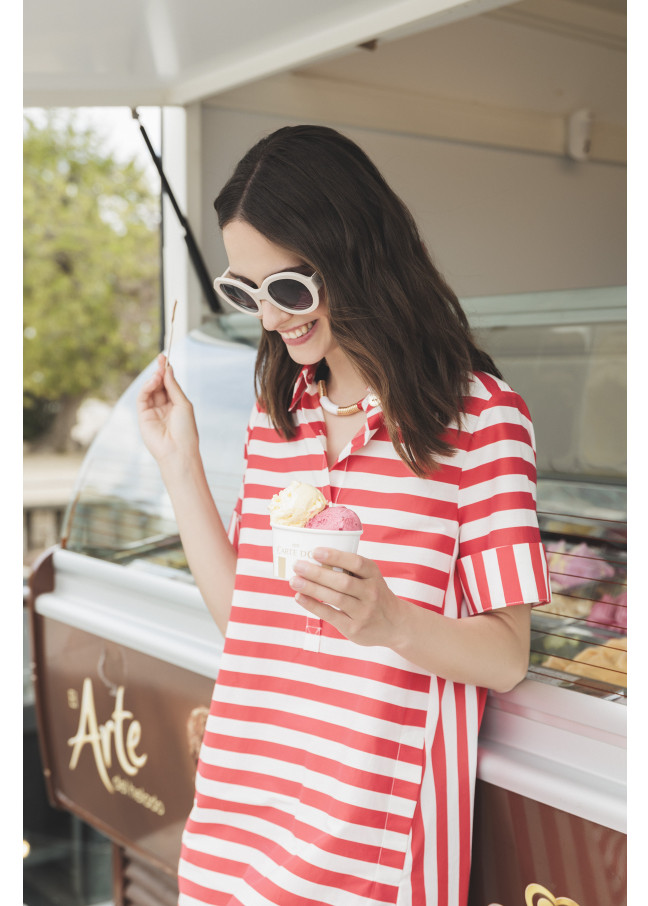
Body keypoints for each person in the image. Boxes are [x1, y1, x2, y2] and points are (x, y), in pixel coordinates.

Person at [137, 125, 551, 906]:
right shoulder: (279, 418)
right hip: (235, 835)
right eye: (246, 293)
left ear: (357, 255)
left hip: (369, 865)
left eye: (288, 290)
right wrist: (179, 463)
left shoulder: (481, 419)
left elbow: (505, 658)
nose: (269, 319)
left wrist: (389, 619)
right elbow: (248, 624)